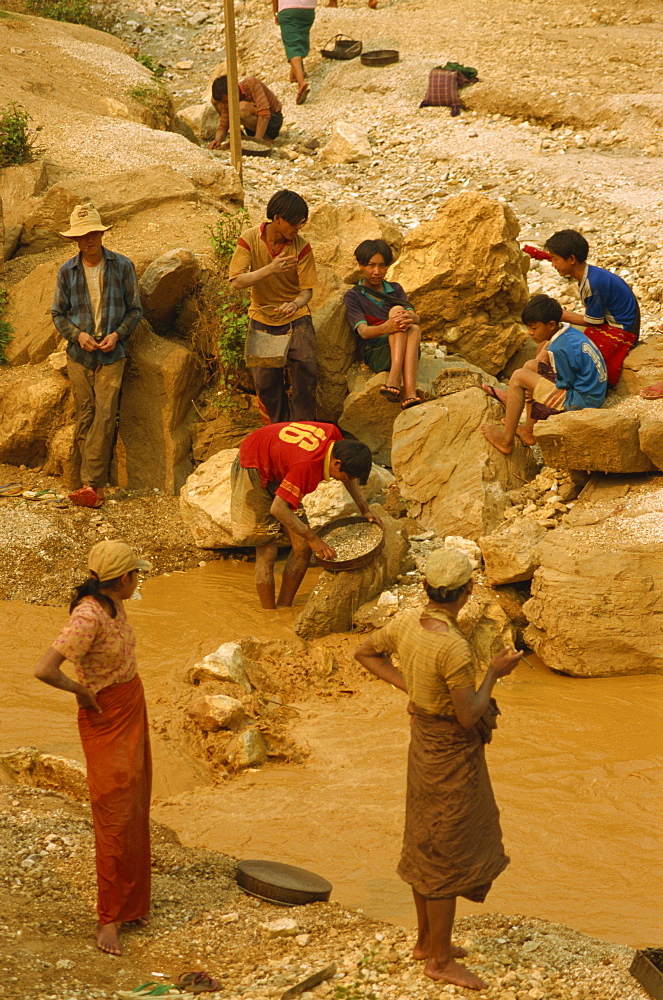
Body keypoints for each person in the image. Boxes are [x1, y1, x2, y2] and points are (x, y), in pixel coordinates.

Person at [354, 548, 522, 991]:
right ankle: (440, 961)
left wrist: (410, 684)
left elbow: (366, 653)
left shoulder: (407, 622)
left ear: (427, 588)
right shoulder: (453, 647)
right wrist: (494, 673)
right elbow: (469, 716)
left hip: (422, 743)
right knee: (446, 848)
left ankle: (427, 942)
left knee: (424, 837)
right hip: (450, 753)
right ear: (466, 591)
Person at [34, 540, 153, 957]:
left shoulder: (115, 604)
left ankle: (133, 904)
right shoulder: (88, 616)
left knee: (136, 805)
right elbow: (44, 669)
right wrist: (80, 692)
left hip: (130, 704)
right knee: (114, 814)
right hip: (106, 715)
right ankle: (109, 918)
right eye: (135, 574)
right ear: (122, 579)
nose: (139, 579)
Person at [231, 420, 380, 608]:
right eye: (347, 476)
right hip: (252, 465)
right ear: (337, 463)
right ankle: (268, 615)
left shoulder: (335, 439)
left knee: (302, 548)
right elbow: (278, 509)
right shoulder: (307, 466)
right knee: (267, 550)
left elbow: (347, 477)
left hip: (281, 465)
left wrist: (365, 509)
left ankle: (284, 607)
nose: (346, 480)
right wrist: (312, 537)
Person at [51, 203, 142, 509]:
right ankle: (81, 483)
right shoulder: (67, 271)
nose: (88, 240)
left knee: (105, 415)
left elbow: (135, 310)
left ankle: (92, 485)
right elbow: (58, 314)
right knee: (86, 415)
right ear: (75, 240)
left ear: (101, 235)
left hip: (113, 354)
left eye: (93, 233)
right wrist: (78, 335)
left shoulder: (122, 266)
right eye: (82, 236)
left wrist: (118, 334)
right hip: (80, 354)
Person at [229, 190, 317, 423]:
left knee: (306, 369)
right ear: (277, 218)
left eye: (301, 223)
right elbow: (236, 280)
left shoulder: (302, 247)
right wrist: (270, 269)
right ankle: (279, 428)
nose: (298, 228)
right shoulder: (249, 239)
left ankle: (303, 426)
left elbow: (307, 291)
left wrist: (295, 304)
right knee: (265, 381)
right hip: (263, 316)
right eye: (294, 223)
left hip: (296, 316)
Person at [481, 294, 607, 455]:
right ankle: (529, 430)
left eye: (534, 328)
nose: (530, 333)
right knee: (530, 366)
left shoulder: (559, 349)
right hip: (594, 391)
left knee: (519, 376)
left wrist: (535, 389)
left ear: (551, 325)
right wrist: (535, 384)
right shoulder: (568, 333)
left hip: (581, 400)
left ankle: (506, 441)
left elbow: (564, 383)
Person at [543, 229, 640, 386]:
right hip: (620, 324)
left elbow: (594, 321)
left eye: (555, 259)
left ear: (572, 259)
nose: (553, 265)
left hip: (622, 331)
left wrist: (559, 314)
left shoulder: (593, 283)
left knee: (565, 341)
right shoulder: (591, 275)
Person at [344, 239, 422, 410]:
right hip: (376, 350)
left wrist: (410, 316)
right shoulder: (354, 296)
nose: (377, 272)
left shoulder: (395, 289)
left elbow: (415, 317)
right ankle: (401, 383)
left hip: (406, 348)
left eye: (382, 266)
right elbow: (363, 332)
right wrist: (388, 327)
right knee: (396, 315)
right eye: (371, 265)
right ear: (360, 265)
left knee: (411, 324)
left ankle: (404, 387)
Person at [209, 74, 283, 148]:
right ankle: (249, 139)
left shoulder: (251, 84)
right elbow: (224, 126)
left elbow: (264, 115)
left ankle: (265, 139)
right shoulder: (228, 101)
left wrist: (256, 143)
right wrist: (217, 140)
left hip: (272, 121)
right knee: (236, 108)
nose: (226, 104)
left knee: (240, 108)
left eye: (226, 101)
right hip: (253, 127)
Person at [272, 0, 316, 105]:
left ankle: (301, 82)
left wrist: (276, 12)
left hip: (288, 8)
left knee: (292, 46)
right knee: (300, 37)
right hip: (308, 9)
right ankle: (295, 73)